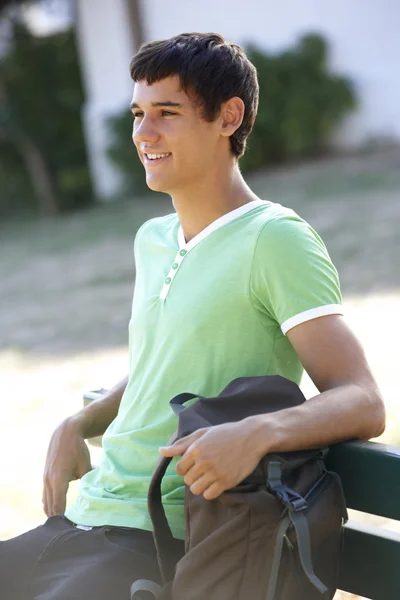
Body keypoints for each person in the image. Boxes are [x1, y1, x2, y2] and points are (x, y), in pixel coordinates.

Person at [0, 32, 385, 600]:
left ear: (229, 116)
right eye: (137, 113)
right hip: (85, 519)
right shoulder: (153, 239)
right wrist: (77, 424)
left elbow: (362, 398)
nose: (143, 133)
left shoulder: (274, 239)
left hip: (162, 537)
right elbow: (163, 363)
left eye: (166, 113)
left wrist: (255, 433)